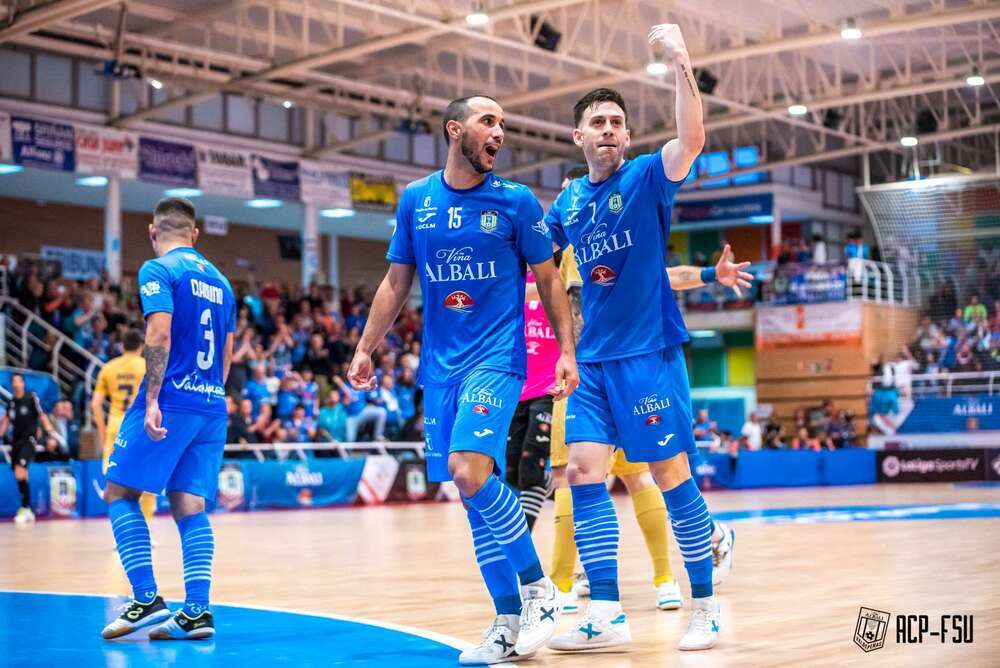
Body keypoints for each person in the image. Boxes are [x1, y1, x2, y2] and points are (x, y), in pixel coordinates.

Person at [347, 94, 579, 664]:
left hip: (498, 360)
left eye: (503, 124)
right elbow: (397, 282)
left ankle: (538, 589)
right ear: (456, 130)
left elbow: (549, 282)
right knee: (471, 495)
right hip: (440, 368)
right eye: (488, 122)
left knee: (467, 470)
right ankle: (504, 619)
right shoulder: (416, 201)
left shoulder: (517, 202)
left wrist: (566, 350)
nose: (500, 132)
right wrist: (364, 347)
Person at [543, 24, 744, 654]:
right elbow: (538, 259)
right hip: (594, 364)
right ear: (579, 137)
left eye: (616, 122)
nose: (608, 129)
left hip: (649, 356)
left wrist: (681, 62)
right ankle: (605, 610)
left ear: (627, 136)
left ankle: (704, 605)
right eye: (596, 122)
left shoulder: (648, 179)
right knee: (581, 472)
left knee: (667, 473)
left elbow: (693, 138)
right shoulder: (569, 201)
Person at [547, 166, 743, 616]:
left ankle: (669, 576)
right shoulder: (564, 250)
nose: (568, 202)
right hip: (581, 369)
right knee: (572, 474)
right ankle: (567, 584)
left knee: (647, 475)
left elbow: (668, 276)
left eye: (570, 193)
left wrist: (712, 275)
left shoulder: (620, 228)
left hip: (636, 362)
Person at [100, 197, 236, 641]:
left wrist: (154, 397)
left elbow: (157, 332)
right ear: (195, 235)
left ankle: (145, 598)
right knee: (189, 505)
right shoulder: (221, 282)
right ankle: (197, 611)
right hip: (211, 402)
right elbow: (229, 351)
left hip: (172, 397)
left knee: (119, 491)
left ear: (152, 232)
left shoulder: (158, 270)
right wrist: (211, 394)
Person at [505, 270, 559, 533]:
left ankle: (522, 543)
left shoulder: (560, 279)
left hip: (549, 389)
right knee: (513, 470)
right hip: (518, 389)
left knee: (530, 465)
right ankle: (559, 488)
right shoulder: (513, 278)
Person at [91, 329, 156, 524]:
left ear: (122, 346)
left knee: (116, 484)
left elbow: (95, 404)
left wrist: (103, 434)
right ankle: (145, 531)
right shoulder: (147, 365)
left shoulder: (108, 368)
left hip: (115, 426)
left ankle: (119, 532)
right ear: (140, 347)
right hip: (140, 425)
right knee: (147, 480)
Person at [1, 372, 55, 524]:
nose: (16, 384)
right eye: (14, 381)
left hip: (29, 440)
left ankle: (25, 507)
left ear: (23, 383)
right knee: (22, 475)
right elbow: (5, 422)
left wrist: (50, 434)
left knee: (20, 471)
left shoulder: (31, 398)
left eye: (19, 381)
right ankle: (28, 509)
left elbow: (42, 416)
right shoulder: (11, 402)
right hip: (15, 442)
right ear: (12, 384)